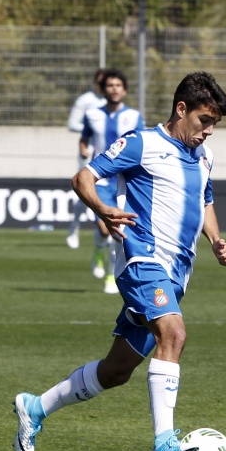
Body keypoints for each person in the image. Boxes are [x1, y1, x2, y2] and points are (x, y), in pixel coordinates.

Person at [12, 71, 226, 451]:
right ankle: (164, 441)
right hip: (142, 261)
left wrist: (217, 240)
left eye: (215, 124)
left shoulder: (204, 156)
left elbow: (205, 200)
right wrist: (103, 209)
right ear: (181, 109)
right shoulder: (141, 143)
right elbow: (83, 178)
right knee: (174, 333)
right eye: (205, 120)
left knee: (116, 371)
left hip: (176, 275)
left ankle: (35, 407)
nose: (209, 131)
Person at [80, 68, 145, 294]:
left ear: (124, 90)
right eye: (110, 85)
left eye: (118, 85)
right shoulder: (92, 114)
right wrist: (84, 150)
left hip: (123, 182)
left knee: (116, 230)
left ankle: (110, 275)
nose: (114, 89)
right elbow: (84, 139)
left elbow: (142, 146)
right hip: (99, 181)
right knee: (105, 230)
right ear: (103, 89)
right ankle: (98, 251)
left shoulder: (134, 117)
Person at [66, 68, 106, 250]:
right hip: (88, 149)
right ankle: (74, 228)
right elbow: (72, 123)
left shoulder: (110, 101)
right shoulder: (85, 100)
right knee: (84, 187)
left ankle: (102, 228)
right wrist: (91, 126)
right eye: (101, 83)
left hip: (107, 150)